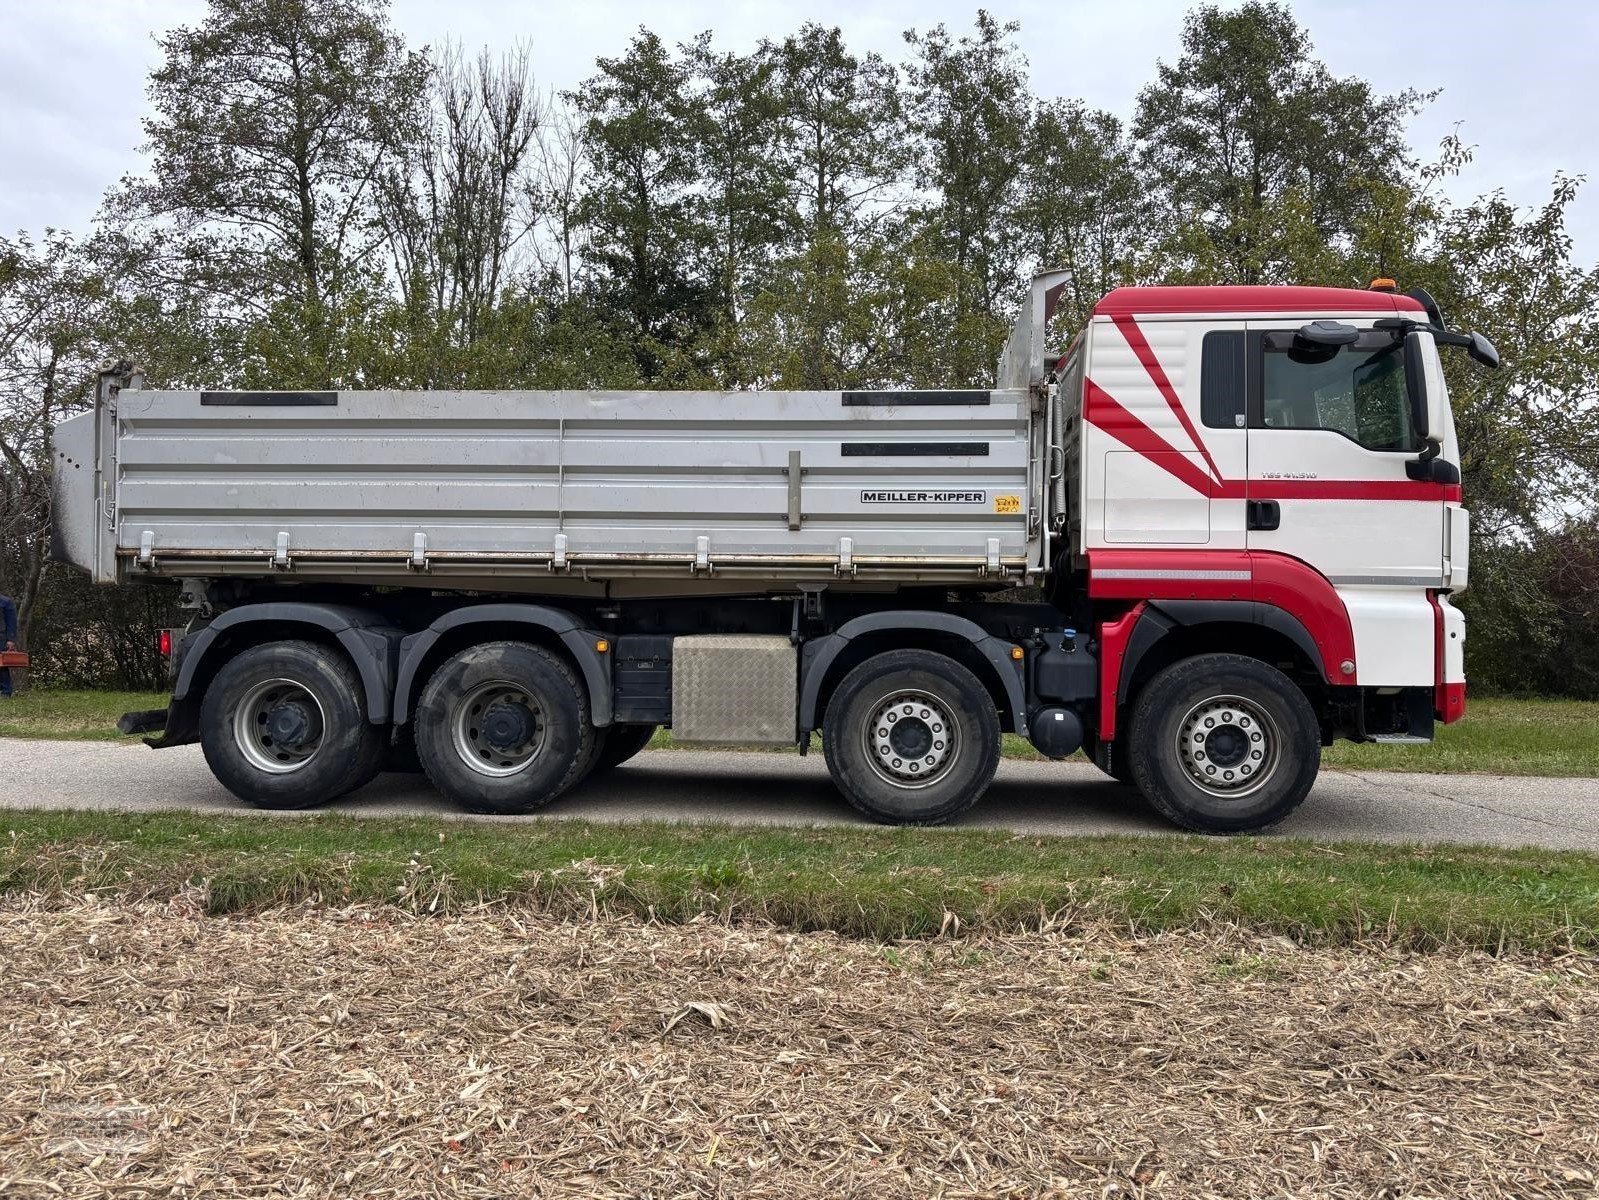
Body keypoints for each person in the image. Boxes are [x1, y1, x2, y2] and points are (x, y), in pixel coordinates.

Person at [0, 593, 16, 698]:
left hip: (1, 637)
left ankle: (6, 691)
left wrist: (11, 639)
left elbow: (12, 622)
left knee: (1, 665)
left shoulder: (5, 602)